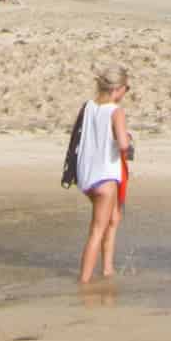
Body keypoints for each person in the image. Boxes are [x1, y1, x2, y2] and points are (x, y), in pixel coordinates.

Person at [70, 67, 133, 284]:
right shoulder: (116, 111)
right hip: (105, 177)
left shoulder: (88, 106)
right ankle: (84, 282)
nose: (126, 93)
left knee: (113, 219)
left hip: (86, 175)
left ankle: (107, 271)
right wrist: (128, 141)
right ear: (117, 89)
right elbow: (123, 145)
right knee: (97, 231)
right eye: (126, 88)